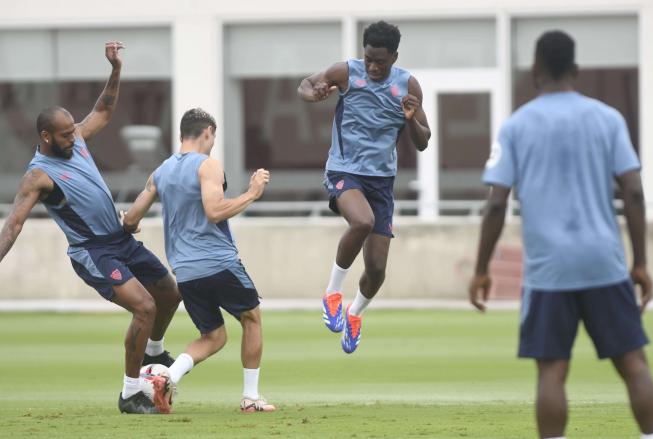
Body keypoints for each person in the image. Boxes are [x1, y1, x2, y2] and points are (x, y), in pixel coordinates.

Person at [469, 30, 653, 439]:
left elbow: (497, 203)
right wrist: (640, 262)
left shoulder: (515, 127)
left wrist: (481, 267)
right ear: (576, 69)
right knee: (633, 364)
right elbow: (634, 192)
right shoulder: (608, 119)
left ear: (535, 70)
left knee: (552, 370)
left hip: (548, 271)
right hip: (604, 264)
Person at [0, 42, 181, 415]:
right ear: (46, 137)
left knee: (170, 293)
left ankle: (154, 352)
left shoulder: (76, 141)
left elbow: (103, 109)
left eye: (73, 130)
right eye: (66, 134)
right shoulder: (38, 176)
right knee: (144, 307)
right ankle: (130, 394)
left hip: (120, 238)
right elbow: (14, 225)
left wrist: (115, 68)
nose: (75, 136)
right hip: (93, 252)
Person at [122, 108, 275, 412]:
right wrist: (252, 193)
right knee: (252, 318)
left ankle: (166, 376)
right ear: (207, 132)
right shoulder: (208, 166)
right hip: (218, 261)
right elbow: (215, 210)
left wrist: (131, 225)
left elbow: (131, 218)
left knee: (214, 336)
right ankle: (250, 398)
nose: (213, 142)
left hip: (186, 272)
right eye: (213, 136)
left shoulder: (161, 171)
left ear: (181, 134)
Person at [298, 21, 431, 353]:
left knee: (376, 270)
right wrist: (312, 94)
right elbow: (306, 84)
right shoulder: (345, 72)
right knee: (362, 221)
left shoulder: (408, 85)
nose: (373, 66)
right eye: (369, 58)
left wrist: (411, 118)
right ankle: (332, 293)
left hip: (381, 182)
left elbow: (424, 141)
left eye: (380, 62)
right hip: (345, 170)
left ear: (394, 57)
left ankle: (354, 313)